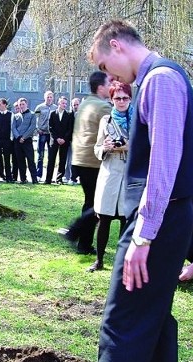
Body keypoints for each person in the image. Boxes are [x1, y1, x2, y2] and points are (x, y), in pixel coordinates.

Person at [51, 19, 193, 362]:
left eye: (105, 65)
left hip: (158, 219)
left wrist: (143, 237)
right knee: (154, 315)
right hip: (163, 218)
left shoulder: (161, 81)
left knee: (122, 322)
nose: (109, 78)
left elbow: (165, 164)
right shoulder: (158, 81)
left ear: (117, 45)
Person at [60, 71, 112, 255]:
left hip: (80, 160)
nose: (112, 86)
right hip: (93, 162)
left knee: (90, 202)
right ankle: (74, 231)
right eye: (109, 83)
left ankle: (83, 244)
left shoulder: (85, 104)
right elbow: (111, 132)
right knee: (98, 204)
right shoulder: (103, 107)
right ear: (100, 87)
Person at [87, 82, 133, 272]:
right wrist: (105, 148)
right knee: (104, 219)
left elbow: (143, 146)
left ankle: (121, 263)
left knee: (125, 220)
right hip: (109, 174)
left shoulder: (138, 119)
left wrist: (125, 146)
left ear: (130, 99)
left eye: (125, 98)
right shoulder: (106, 120)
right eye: (117, 98)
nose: (121, 102)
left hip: (129, 176)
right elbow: (97, 148)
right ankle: (99, 260)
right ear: (111, 99)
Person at [45, 96, 74, 184]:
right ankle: (48, 179)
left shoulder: (69, 114)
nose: (64, 105)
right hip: (54, 141)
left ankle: (59, 179)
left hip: (64, 141)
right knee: (51, 160)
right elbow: (50, 128)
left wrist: (64, 139)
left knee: (62, 160)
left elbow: (70, 129)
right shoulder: (53, 114)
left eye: (65, 103)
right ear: (59, 103)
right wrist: (57, 138)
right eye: (63, 103)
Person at [12, 97, 38, 184]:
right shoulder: (15, 116)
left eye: (23, 104)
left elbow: (32, 127)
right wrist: (19, 137)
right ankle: (23, 179)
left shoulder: (32, 114)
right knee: (20, 161)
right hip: (18, 141)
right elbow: (13, 128)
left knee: (30, 160)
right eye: (20, 104)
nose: (21, 106)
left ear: (26, 104)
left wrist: (24, 137)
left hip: (27, 141)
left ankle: (34, 179)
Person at [34, 90, 56, 178]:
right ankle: (39, 175)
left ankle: (49, 176)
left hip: (51, 135)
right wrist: (37, 129)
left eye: (51, 97)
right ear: (44, 98)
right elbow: (35, 118)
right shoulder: (39, 107)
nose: (49, 99)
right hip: (42, 133)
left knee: (51, 155)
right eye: (48, 97)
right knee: (41, 154)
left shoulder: (55, 108)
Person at [65, 97, 81, 184]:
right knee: (69, 159)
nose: (75, 106)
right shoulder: (69, 115)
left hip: (80, 141)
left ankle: (76, 177)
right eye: (74, 105)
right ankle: (68, 176)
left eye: (77, 104)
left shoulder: (83, 115)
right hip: (71, 140)